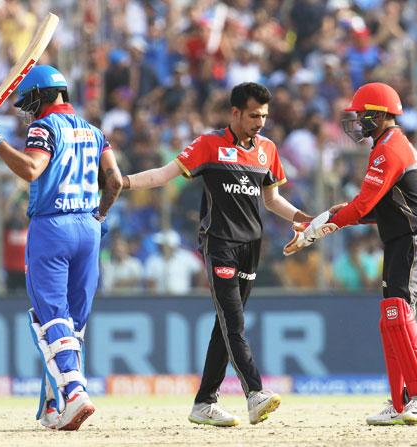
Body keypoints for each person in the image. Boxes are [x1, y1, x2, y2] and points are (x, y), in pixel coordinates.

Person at [121, 82, 314, 426]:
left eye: (264, 116)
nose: (260, 122)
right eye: (254, 115)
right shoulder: (209, 144)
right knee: (234, 321)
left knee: (224, 326)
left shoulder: (267, 149)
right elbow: (163, 175)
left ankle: (204, 403)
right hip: (220, 244)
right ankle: (255, 392)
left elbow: (271, 200)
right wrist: (124, 182)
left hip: (251, 249)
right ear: (235, 112)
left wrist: (304, 220)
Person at [0, 65, 122, 430]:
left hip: (52, 227)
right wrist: (99, 215)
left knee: (47, 319)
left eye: (32, 100)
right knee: (71, 327)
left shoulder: (44, 127)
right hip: (88, 228)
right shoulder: (95, 131)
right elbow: (113, 181)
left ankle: (75, 392)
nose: (29, 109)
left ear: (49, 94)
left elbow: (32, 169)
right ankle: (53, 406)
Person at [286, 82, 417, 425]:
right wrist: (323, 219)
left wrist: (320, 230)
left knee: (402, 316)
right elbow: (372, 210)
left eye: (362, 114)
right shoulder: (385, 145)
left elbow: (361, 208)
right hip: (400, 240)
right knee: (392, 319)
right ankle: (401, 402)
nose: (357, 121)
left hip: (415, 240)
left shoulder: (391, 147)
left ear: (381, 114)